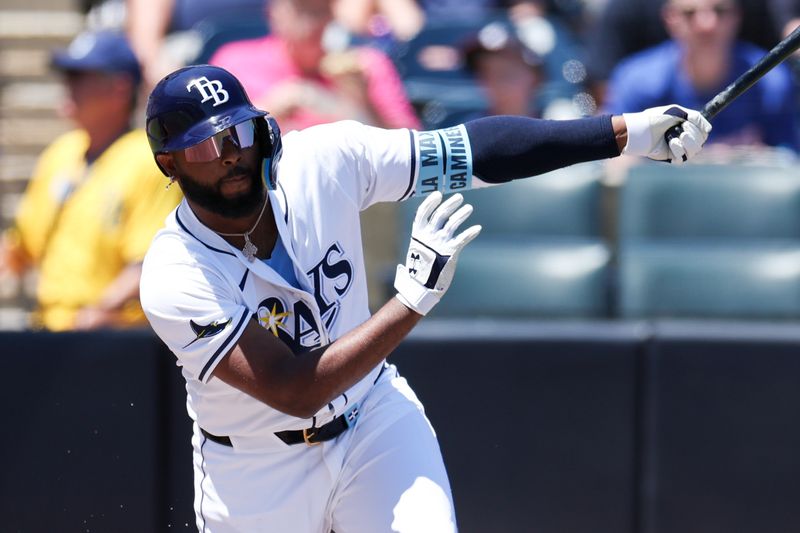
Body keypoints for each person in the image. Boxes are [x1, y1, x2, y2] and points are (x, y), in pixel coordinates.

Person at [139, 64, 709, 531]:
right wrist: (409, 300)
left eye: (239, 132)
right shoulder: (175, 271)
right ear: (169, 163)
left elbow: (476, 151)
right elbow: (294, 391)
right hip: (256, 472)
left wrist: (626, 134)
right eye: (207, 146)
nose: (232, 153)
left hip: (371, 423)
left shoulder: (323, 161)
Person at [0, 30, 182, 331]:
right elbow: (20, 247)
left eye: (80, 76)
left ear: (120, 89)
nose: (68, 86)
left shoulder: (147, 160)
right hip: (51, 329)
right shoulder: (62, 151)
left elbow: (148, 264)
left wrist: (93, 314)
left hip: (113, 338)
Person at [603, 0, 798, 151]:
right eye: (690, 13)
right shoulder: (637, 82)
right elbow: (616, 166)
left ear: (737, 16)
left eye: (720, 11)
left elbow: (790, 162)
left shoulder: (771, 82)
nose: (707, 24)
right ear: (670, 19)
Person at [209, 0, 421, 132]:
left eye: (322, 9)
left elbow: (412, 150)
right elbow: (215, 140)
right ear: (275, 13)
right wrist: (270, 110)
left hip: (359, 191)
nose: (313, 23)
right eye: (303, 10)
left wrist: (364, 102)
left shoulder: (366, 64)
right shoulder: (235, 60)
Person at [462, 20, 546, 118]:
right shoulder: (466, 129)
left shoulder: (559, 125)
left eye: (506, 75)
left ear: (535, 77)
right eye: (485, 75)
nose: (494, 84)